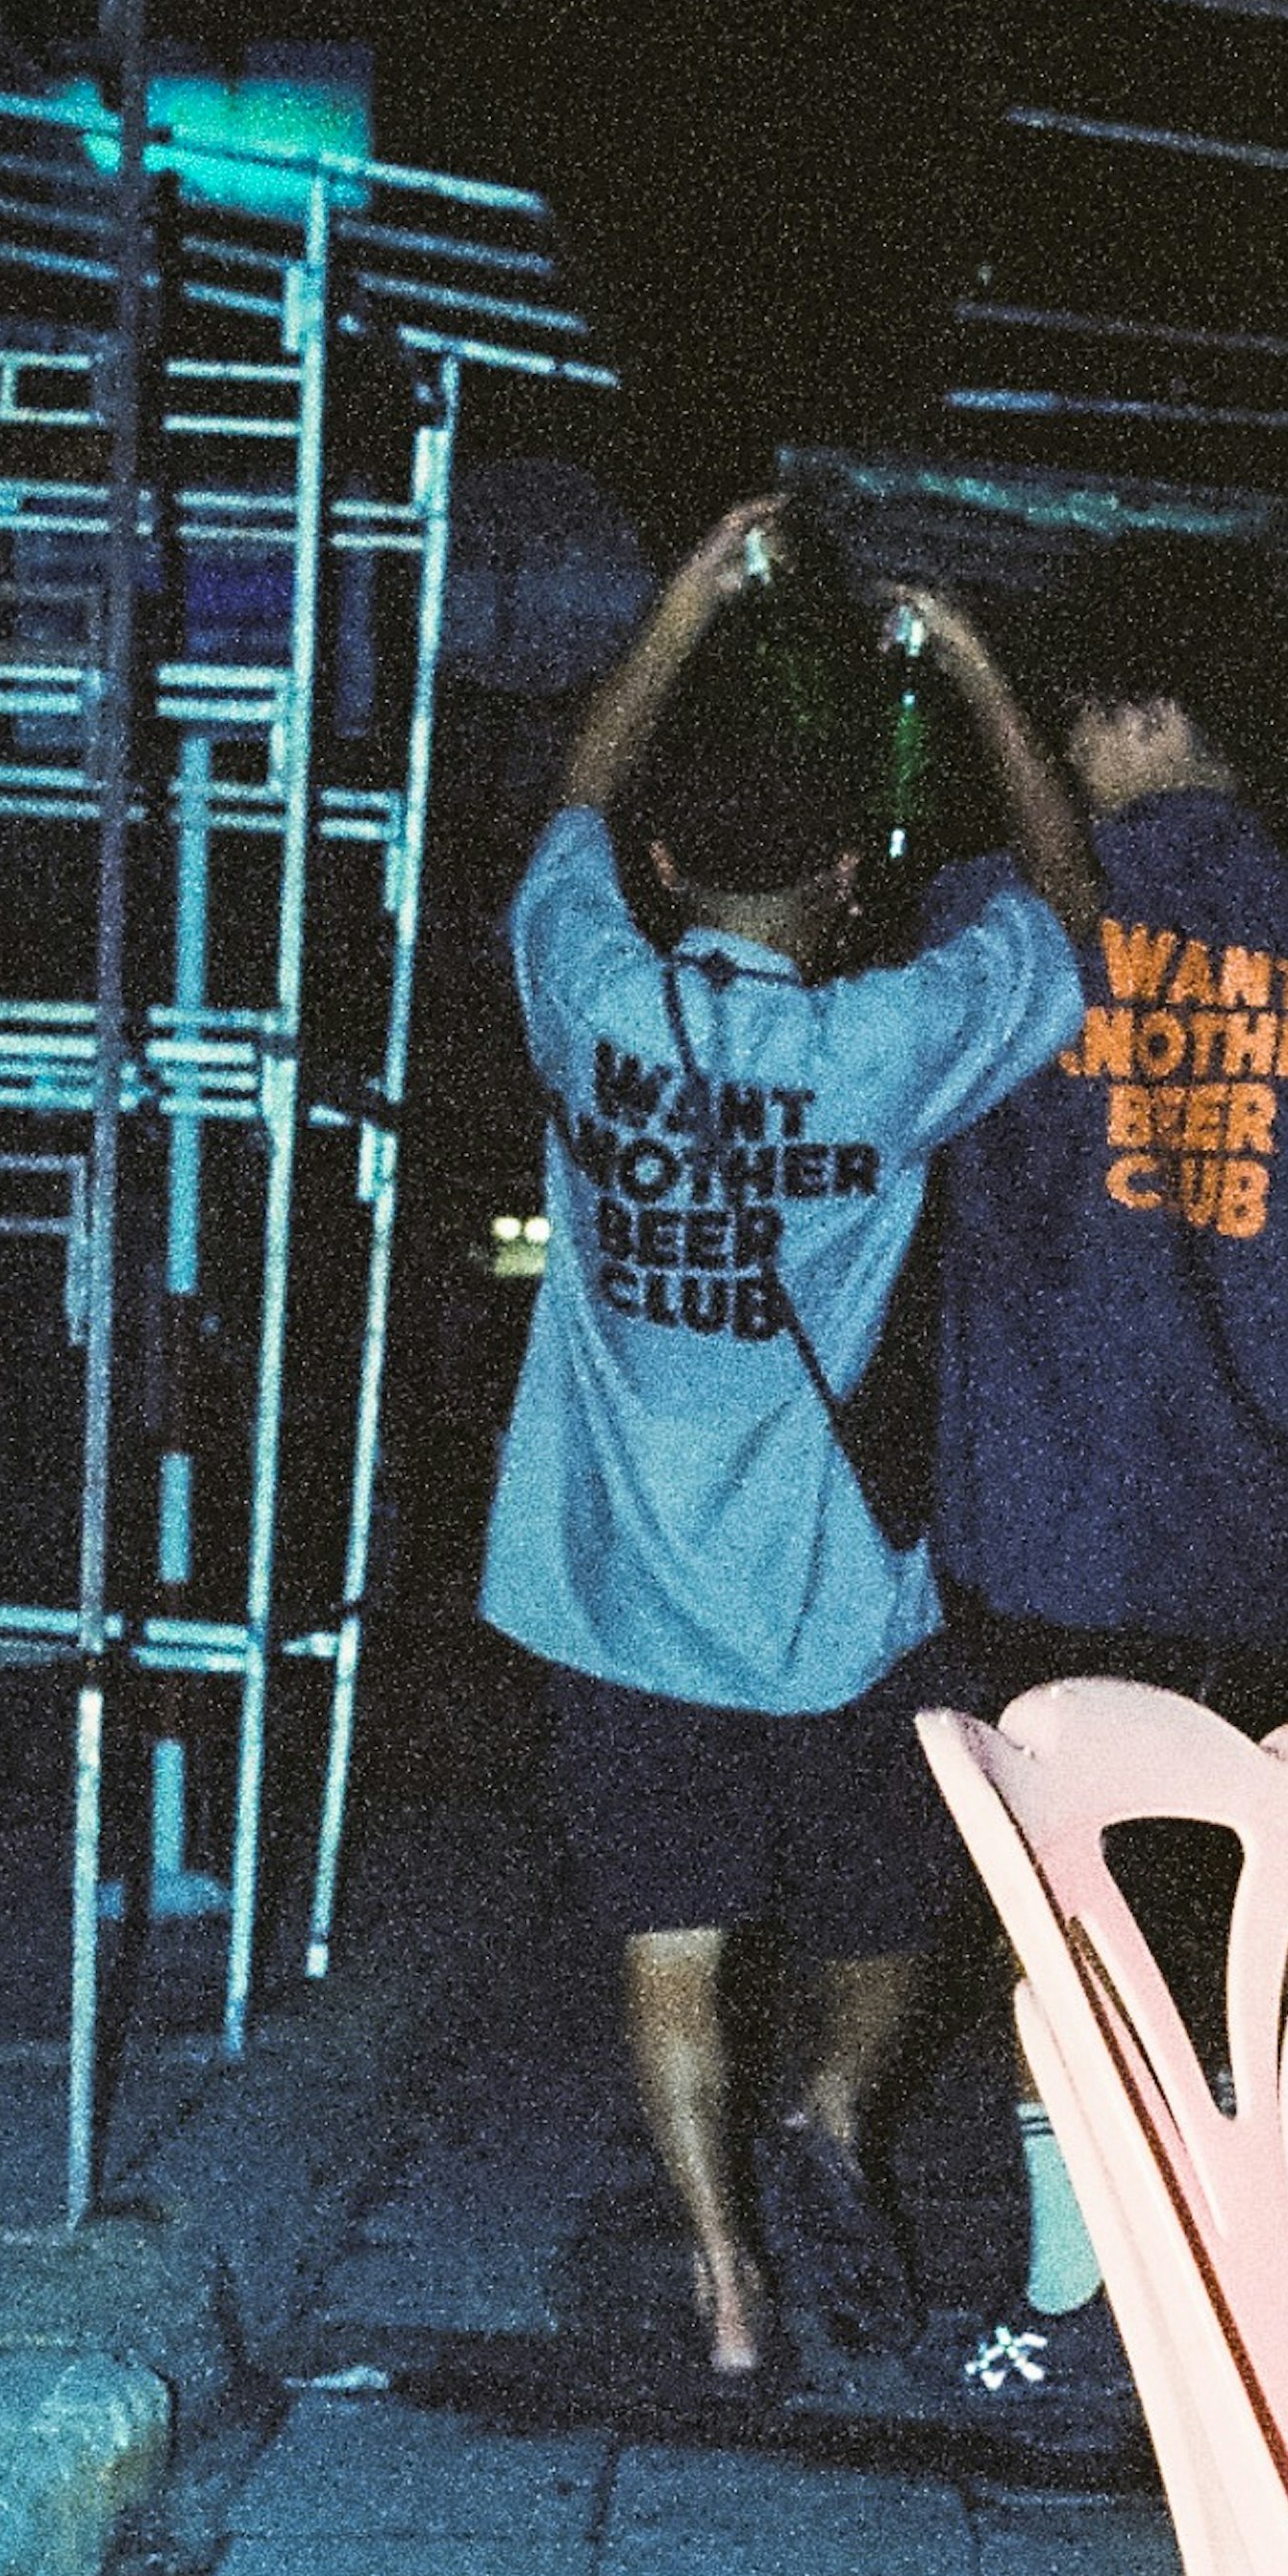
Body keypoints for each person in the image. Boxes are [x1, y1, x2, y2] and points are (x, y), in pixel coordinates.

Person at [480, 498, 1105, 2388]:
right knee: (899, 1895)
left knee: (668, 1940)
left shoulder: (590, 1000)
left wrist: (679, 598)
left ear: (673, 865)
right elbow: (1072, 913)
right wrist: (973, 666)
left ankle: (728, 2278)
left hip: (608, 1585)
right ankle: (831, 2106)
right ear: (843, 875)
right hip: (834, 1591)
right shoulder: (884, 1043)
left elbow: (570, 817)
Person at [922, 535, 1288, 2435]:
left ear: (1151, 710)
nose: (1069, 745)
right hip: (1253, 1528)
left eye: (1084, 711)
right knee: (1239, 1922)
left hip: (1048, 1512)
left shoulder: (1001, 917)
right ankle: (1252, 2303)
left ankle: (1080, 2313)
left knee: (1059, 1921)